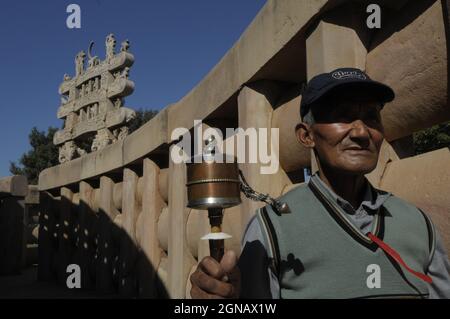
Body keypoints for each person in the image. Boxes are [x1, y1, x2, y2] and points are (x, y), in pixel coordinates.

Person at [189, 67, 450, 299]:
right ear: (306, 136)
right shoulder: (272, 229)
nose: (361, 132)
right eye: (342, 116)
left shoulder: (418, 223)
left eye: (371, 117)